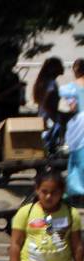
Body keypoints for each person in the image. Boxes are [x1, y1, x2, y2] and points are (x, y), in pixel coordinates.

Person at [60, 59, 84, 205]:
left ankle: (79, 193)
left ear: (76, 69)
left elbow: (71, 108)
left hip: (79, 126)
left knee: (78, 159)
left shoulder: (70, 88)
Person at [33, 58, 65, 154]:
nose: (62, 68)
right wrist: (54, 117)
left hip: (43, 115)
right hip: (50, 117)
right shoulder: (51, 83)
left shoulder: (42, 82)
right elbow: (47, 101)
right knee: (50, 145)